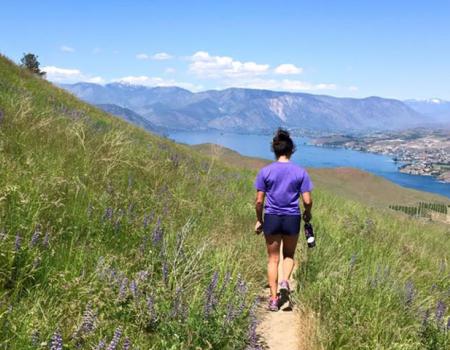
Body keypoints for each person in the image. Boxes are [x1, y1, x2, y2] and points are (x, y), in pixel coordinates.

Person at [254, 128, 313, 311]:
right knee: (288, 255)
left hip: (271, 217)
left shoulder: (265, 172)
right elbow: (307, 200)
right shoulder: (300, 172)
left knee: (272, 260)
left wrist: (259, 220)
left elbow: (259, 201)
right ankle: (285, 281)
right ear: (291, 150)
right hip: (292, 218)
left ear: (275, 150)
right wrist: (307, 213)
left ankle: (273, 300)